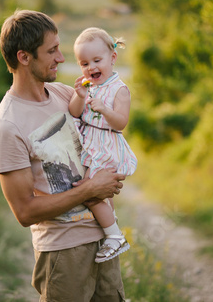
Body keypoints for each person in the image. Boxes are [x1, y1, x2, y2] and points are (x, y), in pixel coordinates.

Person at [0, 10, 127, 301]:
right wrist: (90, 189)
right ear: (24, 57)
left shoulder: (65, 94)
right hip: (63, 253)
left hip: (103, 241)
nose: (61, 58)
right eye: (52, 51)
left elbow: (105, 134)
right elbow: (24, 212)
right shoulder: (7, 125)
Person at [69, 27, 137, 264]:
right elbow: (74, 112)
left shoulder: (120, 90)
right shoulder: (89, 87)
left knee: (91, 193)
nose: (91, 68)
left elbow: (121, 123)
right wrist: (79, 95)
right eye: (84, 63)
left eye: (97, 60)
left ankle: (115, 236)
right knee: (98, 194)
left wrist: (105, 109)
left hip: (107, 145)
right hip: (91, 144)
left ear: (112, 58)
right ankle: (110, 221)